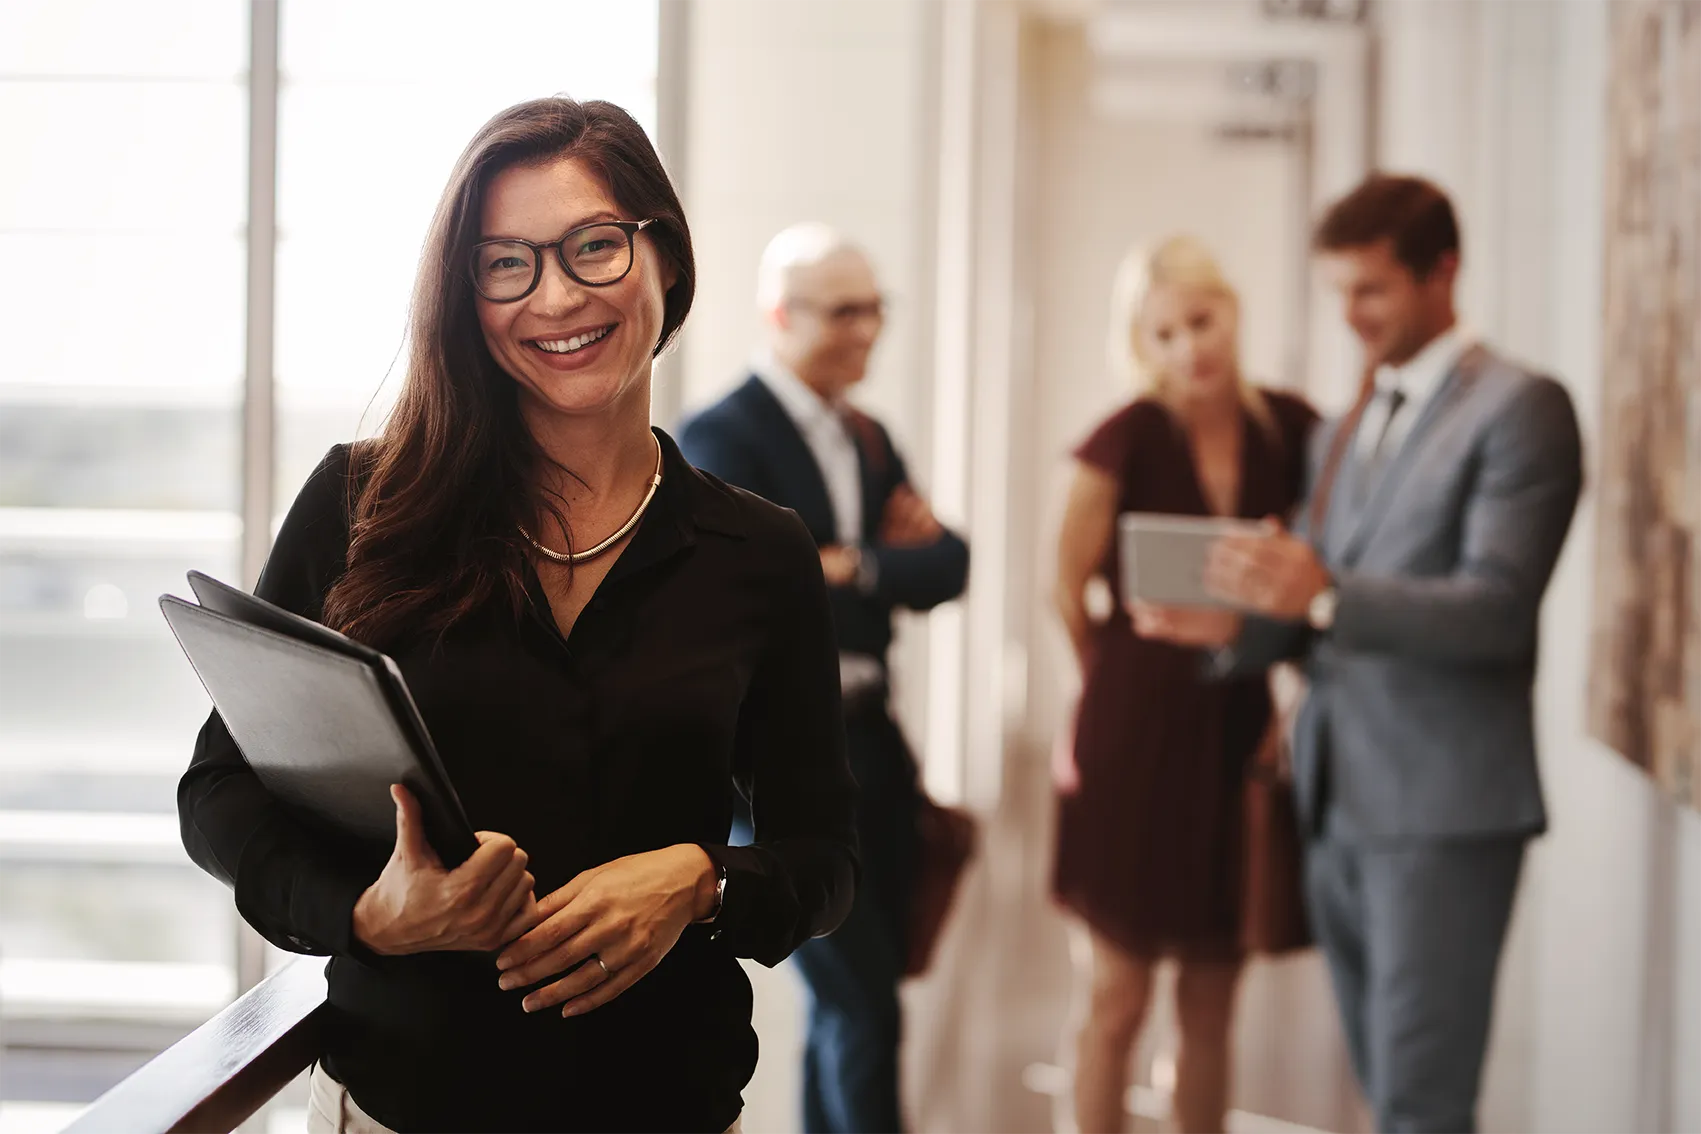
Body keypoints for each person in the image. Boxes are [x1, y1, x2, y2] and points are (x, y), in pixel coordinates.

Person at [177, 98, 858, 1134]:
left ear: (666, 258)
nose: (557, 296)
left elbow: (824, 858)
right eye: (506, 264)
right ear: (467, 297)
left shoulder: (759, 553)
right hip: (399, 1108)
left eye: (594, 247)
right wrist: (370, 916)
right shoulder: (362, 506)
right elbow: (220, 791)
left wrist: (697, 880)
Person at [1143, 175, 1584, 1134]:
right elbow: (1312, 600)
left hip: (1441, 812)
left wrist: (1323, 594)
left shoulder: (1520, 409)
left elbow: (1496, 611)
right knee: (1381, 1087)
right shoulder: (1347, 422)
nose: (1350, 316)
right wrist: (1236, 628)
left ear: (1443, 272)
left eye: (1372, 290)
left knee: (1421, 1101)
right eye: (1338, 291)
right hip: (1334, 797)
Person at [678, 223, 969, 1134]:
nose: (867, 330)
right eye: (844, 312)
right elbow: (753, 595)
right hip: (775, 765)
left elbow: (948, 564)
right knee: (862, 1002)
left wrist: (855, 563)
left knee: (856, 998)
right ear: (781, 314)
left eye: (875, 309)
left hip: (872, 740)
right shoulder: (720, 435)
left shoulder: (865, 436)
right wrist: (858, 563)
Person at [1050, 236, 1318, 1134]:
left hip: (1235, 728)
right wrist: (1103, 687)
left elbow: (1319, 572)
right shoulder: (1124, 437)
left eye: (1200, 322)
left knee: (1210, 1001)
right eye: (1162, 335)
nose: (1187, 348)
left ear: (1231, 311)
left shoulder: (1292, 431)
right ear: (1140, 345)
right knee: (1116, 997)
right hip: (1130, 734)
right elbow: (1065, 586)